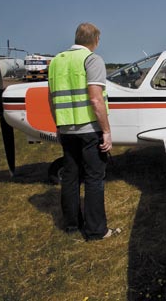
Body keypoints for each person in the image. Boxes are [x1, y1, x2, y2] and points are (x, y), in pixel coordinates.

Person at [48, 22, 120, 240]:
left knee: (70, 177)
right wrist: (106, 131)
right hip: (89, 129)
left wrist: (59, 126)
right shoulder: (92, 59)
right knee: (94, 178)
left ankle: (71, 225)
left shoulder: (56, 62)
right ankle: (97, 230)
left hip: (68, 129)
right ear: (95, 40)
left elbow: (51, 99)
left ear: (77, 38)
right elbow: (96, 99)